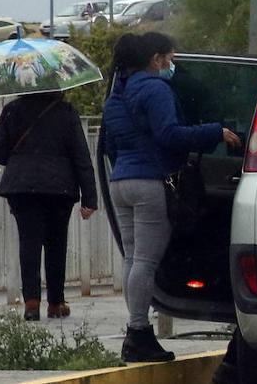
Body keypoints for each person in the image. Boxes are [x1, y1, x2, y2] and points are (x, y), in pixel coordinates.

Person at [103, 32, 241, 363]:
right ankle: (138, 333)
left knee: (133, 259)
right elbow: (169, 134)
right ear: (155, 59)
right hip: (149, 182)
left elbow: (109, 144)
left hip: (120, 181)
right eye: (170, 58)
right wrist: (213, 132)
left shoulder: (115, 97)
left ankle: (136, 332)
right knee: (146, 262)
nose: (171, 64)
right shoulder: (155, 89)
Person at [0, 90, 97, 322]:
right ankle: (56, 303)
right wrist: (90, 198)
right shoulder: (66, 112)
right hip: (59, 187)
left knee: (28, 242)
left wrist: (23, 157)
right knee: (56, 243)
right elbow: (81, 156)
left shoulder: (11, 110)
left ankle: (31, 303)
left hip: (22, 186)